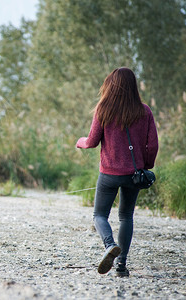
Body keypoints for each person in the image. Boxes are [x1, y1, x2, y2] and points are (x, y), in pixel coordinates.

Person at [76, 67, 158, 277]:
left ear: (111, 85)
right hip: (133, 174)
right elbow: (153, 145)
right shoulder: (144, 111)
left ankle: (109, 245)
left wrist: (81, 142)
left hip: (109, 174)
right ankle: (121, 266)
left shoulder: (103, 109)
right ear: (133, 86)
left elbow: (92, 141)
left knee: (99, 215)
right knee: (126, 217)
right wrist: (145, 167)